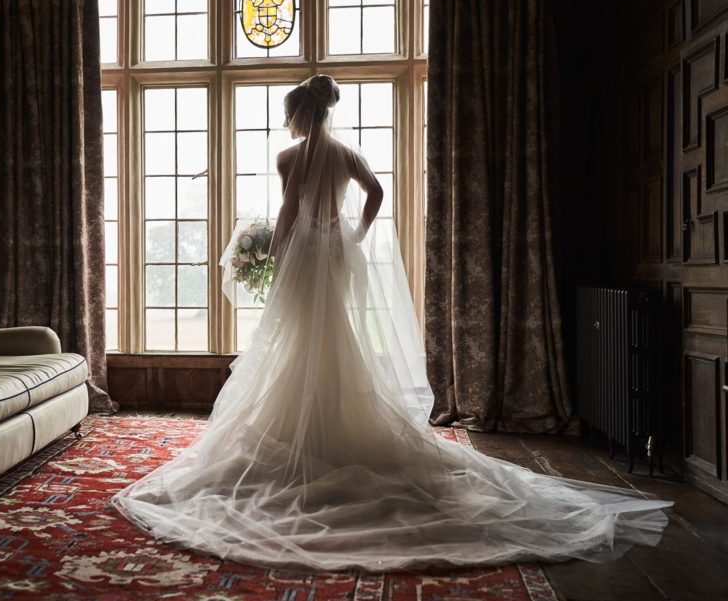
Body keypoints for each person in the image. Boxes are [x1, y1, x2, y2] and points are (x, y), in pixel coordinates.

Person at [111, 74, 671, 573]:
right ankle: (334, 422)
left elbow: (286, 212)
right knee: (333, 340)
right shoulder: (346, 154)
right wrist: (353, 236)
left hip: (305, 256)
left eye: (290, 114)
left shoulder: (288, 159)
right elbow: (376, 194)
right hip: (332, 254)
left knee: (298, 341)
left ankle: (300, 433)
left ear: (300, 115)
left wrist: (279, 255)